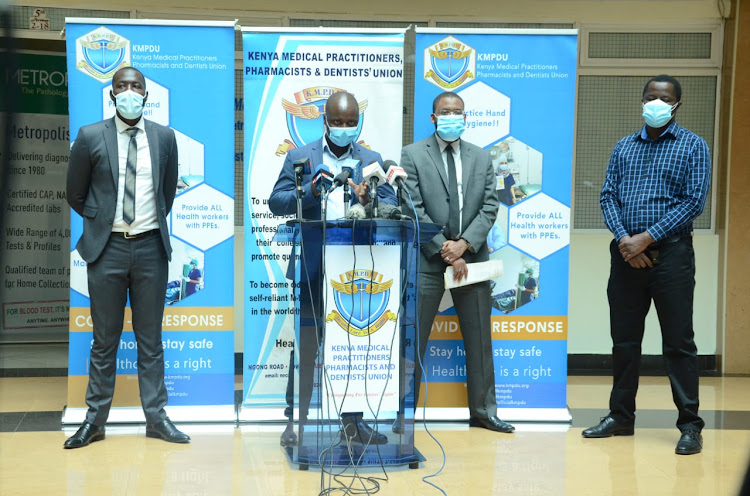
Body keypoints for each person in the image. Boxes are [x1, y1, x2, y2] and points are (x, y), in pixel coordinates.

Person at [64, 67, 189, 448]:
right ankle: (94, 421)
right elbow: (75, 193)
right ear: (112, 94)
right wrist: (104, 222)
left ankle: (157, 418)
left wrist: (146, 225)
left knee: (151, 340)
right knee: (105, 340)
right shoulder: (89, 137)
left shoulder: (165, 138)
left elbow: (166, 193)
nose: (129, 92)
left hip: (152, 248)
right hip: (108, 250)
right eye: (122, 86)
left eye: (136, 86)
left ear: (147, 95)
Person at [586, 75, 711, 455]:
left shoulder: (693, 146)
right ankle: (620, 416)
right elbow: (608, 196)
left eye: (665, 99)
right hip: (625, 256)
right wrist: (626, 240)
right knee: (624, 341)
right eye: (651, 97)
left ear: (677, 105)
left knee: (679, 343)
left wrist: (647, 237)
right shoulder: (624, 147)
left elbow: (693, 201)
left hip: (671, 256)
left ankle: (690, 425)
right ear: (642, 101)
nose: (657, 103)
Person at [268, 91, 397, 447]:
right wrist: (310, 190)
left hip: (356, 270)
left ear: (358, 123)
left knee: (352, 346)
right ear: (324, 121)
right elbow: (277, 202)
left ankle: (352, 424)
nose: (344, 129)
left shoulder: (371, 159)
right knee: (307, 348)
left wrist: (368, 198)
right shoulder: (300, 157)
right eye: (337, 122)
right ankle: (296, 422)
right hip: (313, 265)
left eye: (350, 123)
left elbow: (390, 202)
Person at [397, 91, 514, 434]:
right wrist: (443, 248)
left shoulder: (481, 157)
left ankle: (483, 412)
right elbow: (411, 205)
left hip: (472, 260)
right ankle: (404, 414)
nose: (452, 117)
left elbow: (490, 206)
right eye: (445, 112)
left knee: (479, 340)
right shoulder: (413, 154)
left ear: (466, 118)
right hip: (428, 261)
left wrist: (463, 245)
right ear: (433, 118)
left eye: (458, 112)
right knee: (414, 339)